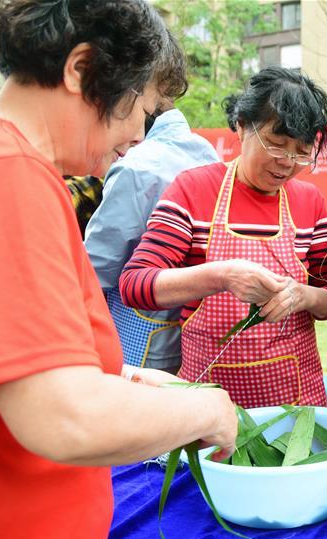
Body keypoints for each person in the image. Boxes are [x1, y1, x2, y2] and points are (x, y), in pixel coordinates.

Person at [0, 2, 237, 539]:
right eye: (141, 111)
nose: (137, 137)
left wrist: (126, 378)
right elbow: (62, 414)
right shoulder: (7, 178)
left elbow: (2, 361)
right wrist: (208, 410)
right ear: (82, 69)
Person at [120, 67, 327, 408]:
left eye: (300, 151)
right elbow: (136, 285)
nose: (286, 163)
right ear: (241, 125)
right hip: (208, 406)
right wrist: (221, 276)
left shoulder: (308, 201)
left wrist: (302, 296)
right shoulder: (193, 190)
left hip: (296, 406)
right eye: (276, 143)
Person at [85, 74, 219, 372]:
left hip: (141, 329)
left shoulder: (136, 164)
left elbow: (98, 267)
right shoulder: (205, 151)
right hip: (197, 323)